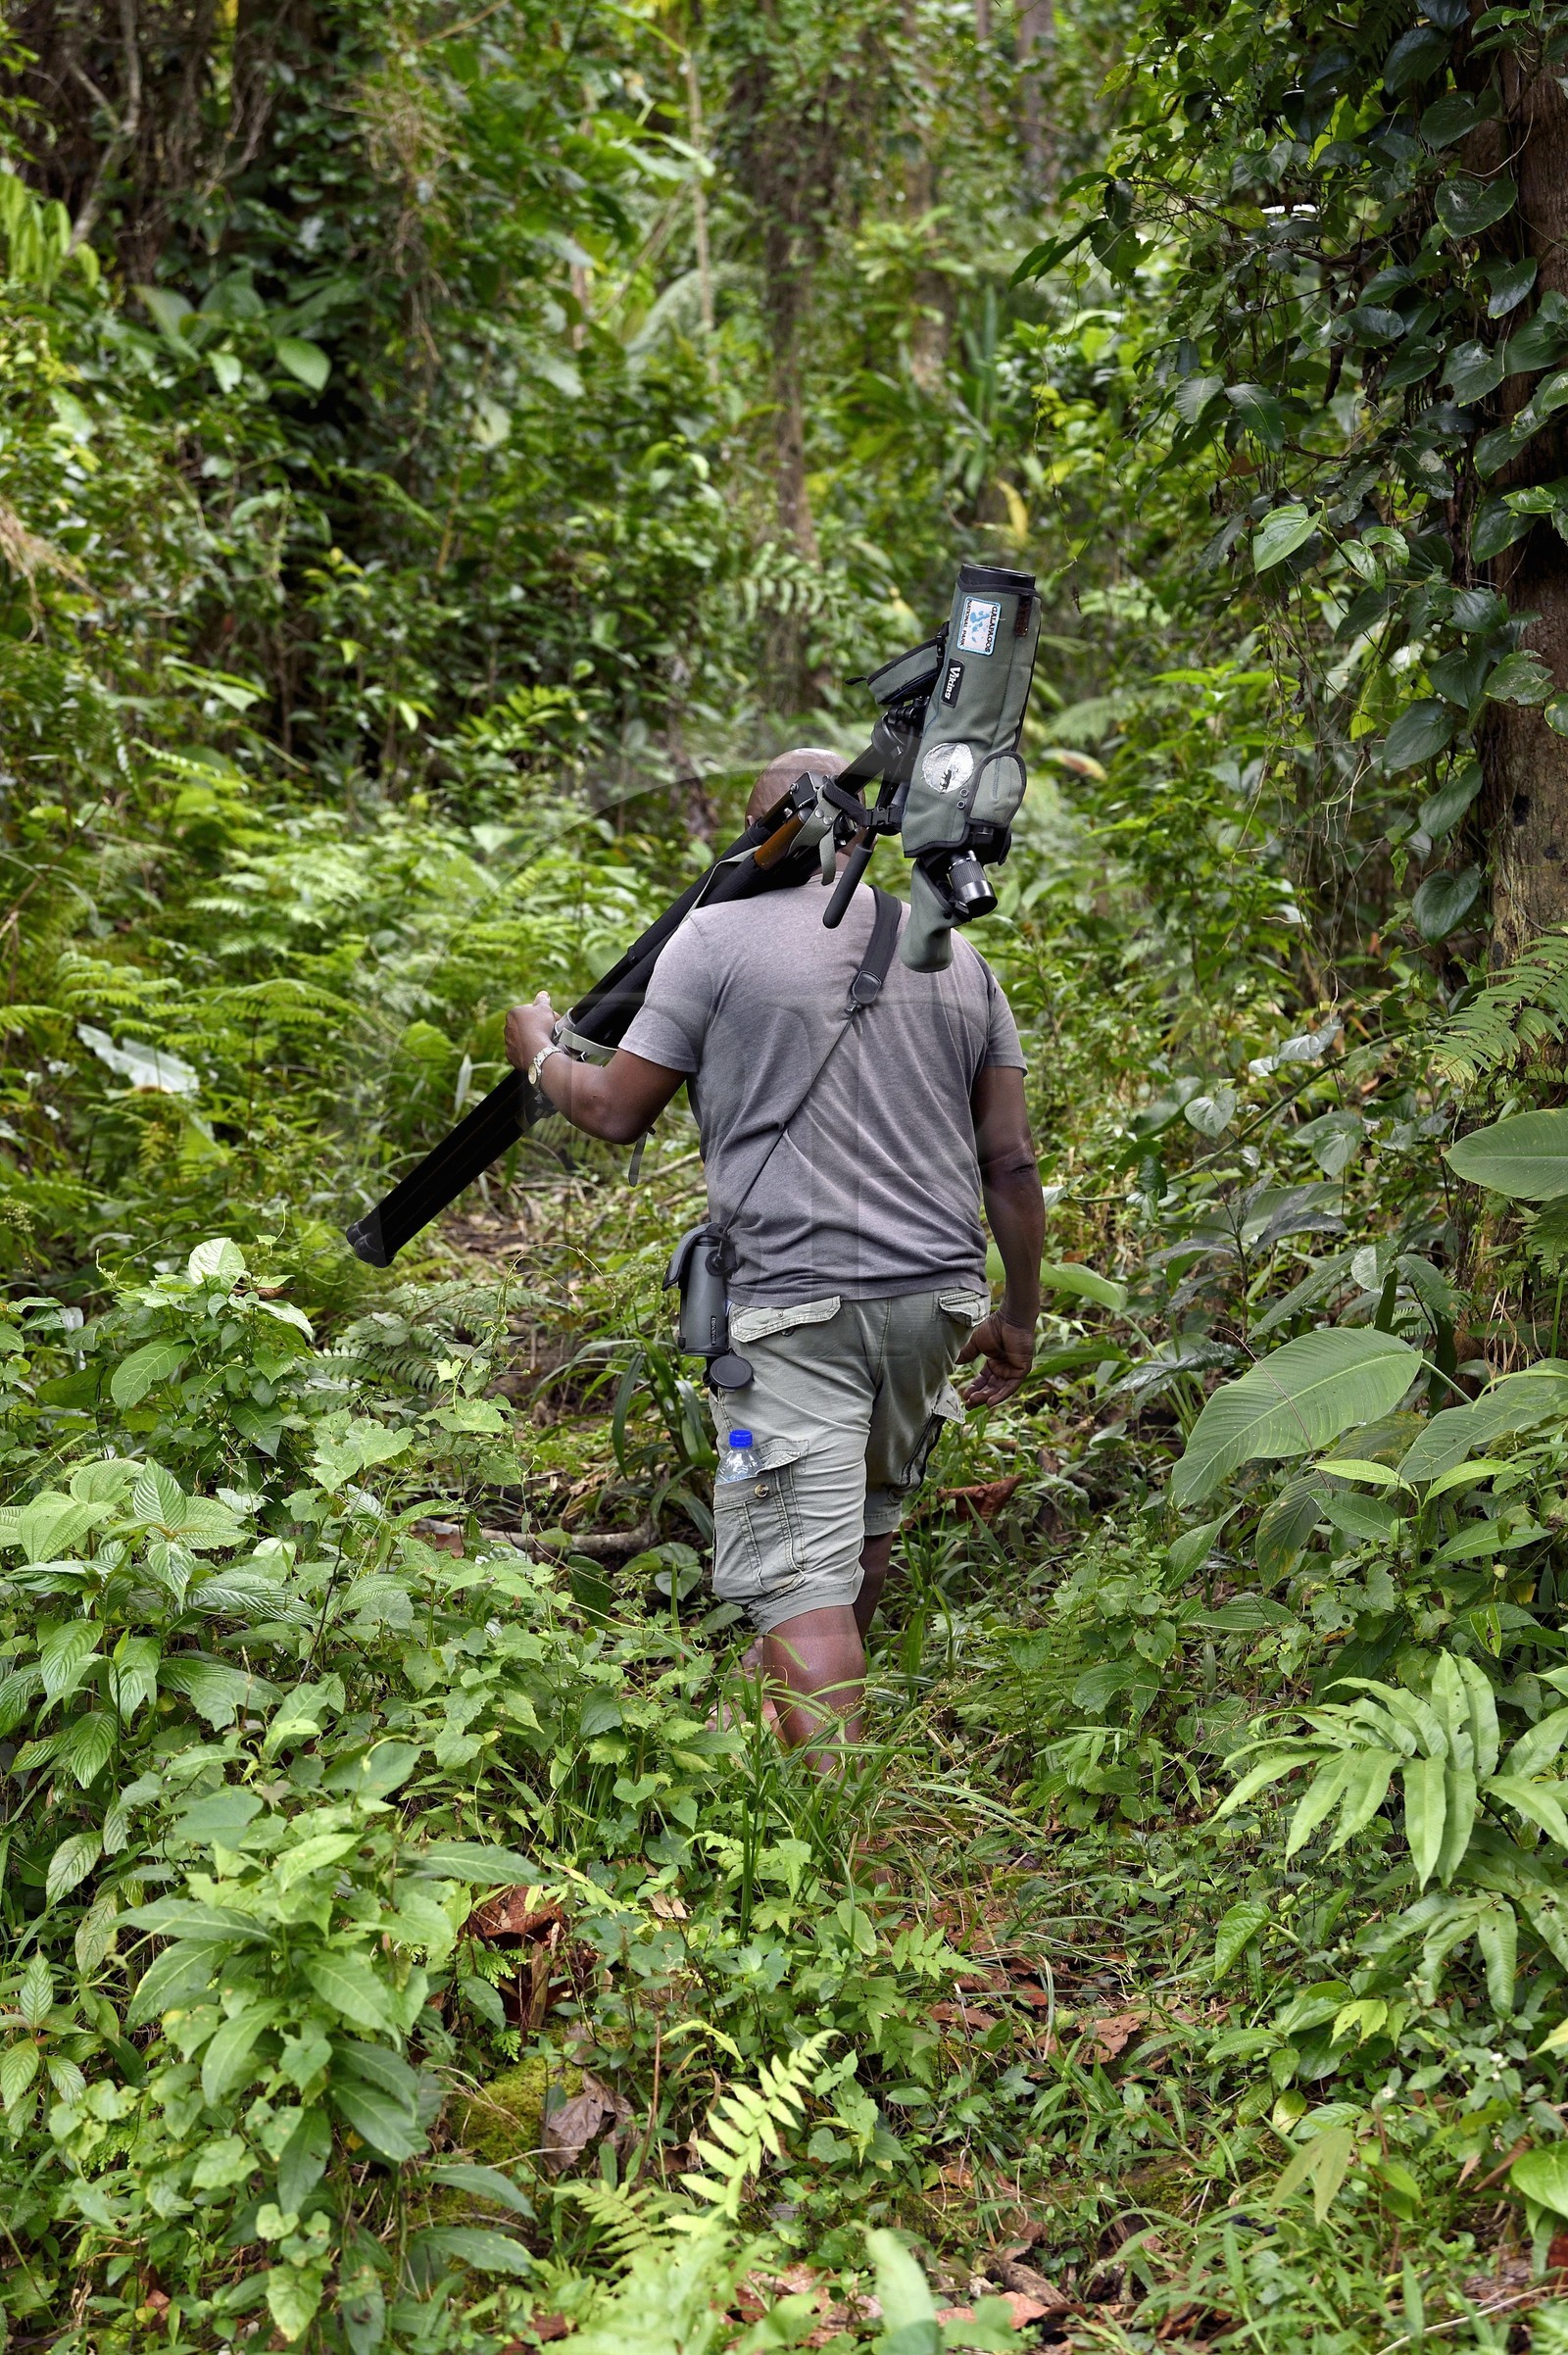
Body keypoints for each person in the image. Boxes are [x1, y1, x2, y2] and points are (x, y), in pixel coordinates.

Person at [504, 747, 1045, 1762]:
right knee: (855, 1538)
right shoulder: (954, 953)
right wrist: (1015, 1315)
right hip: (933, 1304)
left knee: (801, 1576)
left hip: (793, 1309)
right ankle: (805, 1758)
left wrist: (537, 1048)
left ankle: (837, 1837)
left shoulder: (712, 940)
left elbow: (617, 1111)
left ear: (762, 838)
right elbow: (1009, 1162)